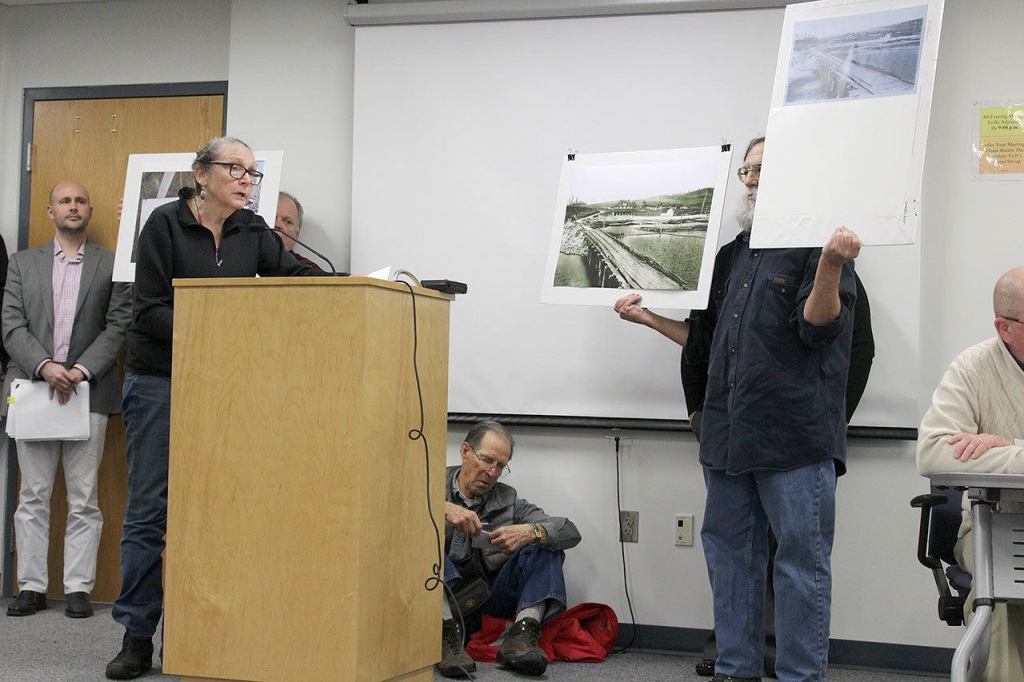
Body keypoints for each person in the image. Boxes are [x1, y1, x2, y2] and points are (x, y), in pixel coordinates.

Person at [615, 137, 860, 682]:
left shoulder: (816, 250)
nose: (749, 181)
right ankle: (734, 672)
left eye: (761, 170)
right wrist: (648, 319)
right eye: (746, 171)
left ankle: (800, 677)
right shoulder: (729, 256)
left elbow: (819, 327)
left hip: (794, 441)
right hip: (727, 439)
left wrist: (830, 265)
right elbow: (702, 343)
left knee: (801, 567)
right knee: (730, 561)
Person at [105, 137, 324, 680]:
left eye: (253, 172)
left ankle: (208, 631)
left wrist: (353, 287)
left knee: (221, 509)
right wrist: (218, 336)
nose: (247, 179)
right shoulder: (164, 224)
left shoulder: (254, 232)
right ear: (202, 175)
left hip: (230, 387)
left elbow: (294, 280)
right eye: (236, 169)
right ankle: (137, 634)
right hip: (162, 381)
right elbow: (150, 310)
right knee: (150, 512)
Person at [2, 181, 131, 619]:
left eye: (79, 201)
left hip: (87, 392)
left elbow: (118, 325)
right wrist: (44, 366)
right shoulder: (21, 264)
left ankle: (78, 588)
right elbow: (11, 325)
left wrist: (77, 371)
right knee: (33, 495)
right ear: (50, 210)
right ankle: (31, 587)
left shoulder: (111, 265)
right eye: (64, 201)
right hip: (34, 389)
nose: (72, 207)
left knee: (84, 497)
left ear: (90, 210)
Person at [917, 266, 1024, 682]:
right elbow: (933, 452)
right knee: (996, 597)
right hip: (989, 527)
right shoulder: (973, 368)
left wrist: (1009, 446)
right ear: (1006, 327)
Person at [438, 420, 581, 678]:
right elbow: (390, 512)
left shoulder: (509, 500)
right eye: (486, 460)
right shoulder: (428, 484)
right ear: (465, 452)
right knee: (421, 539)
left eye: (500, 466)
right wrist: (442, 507)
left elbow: (569, 530)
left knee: (546, 545)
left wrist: (531, 532)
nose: (492, 473)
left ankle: (522, 638)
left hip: (488, 599)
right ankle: (443, 634)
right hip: (439, 598)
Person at [275, 191, 324, 272]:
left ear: (296, 234)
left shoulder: (307, 269)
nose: (278, 225)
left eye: (288, 222)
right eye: (274, 217)